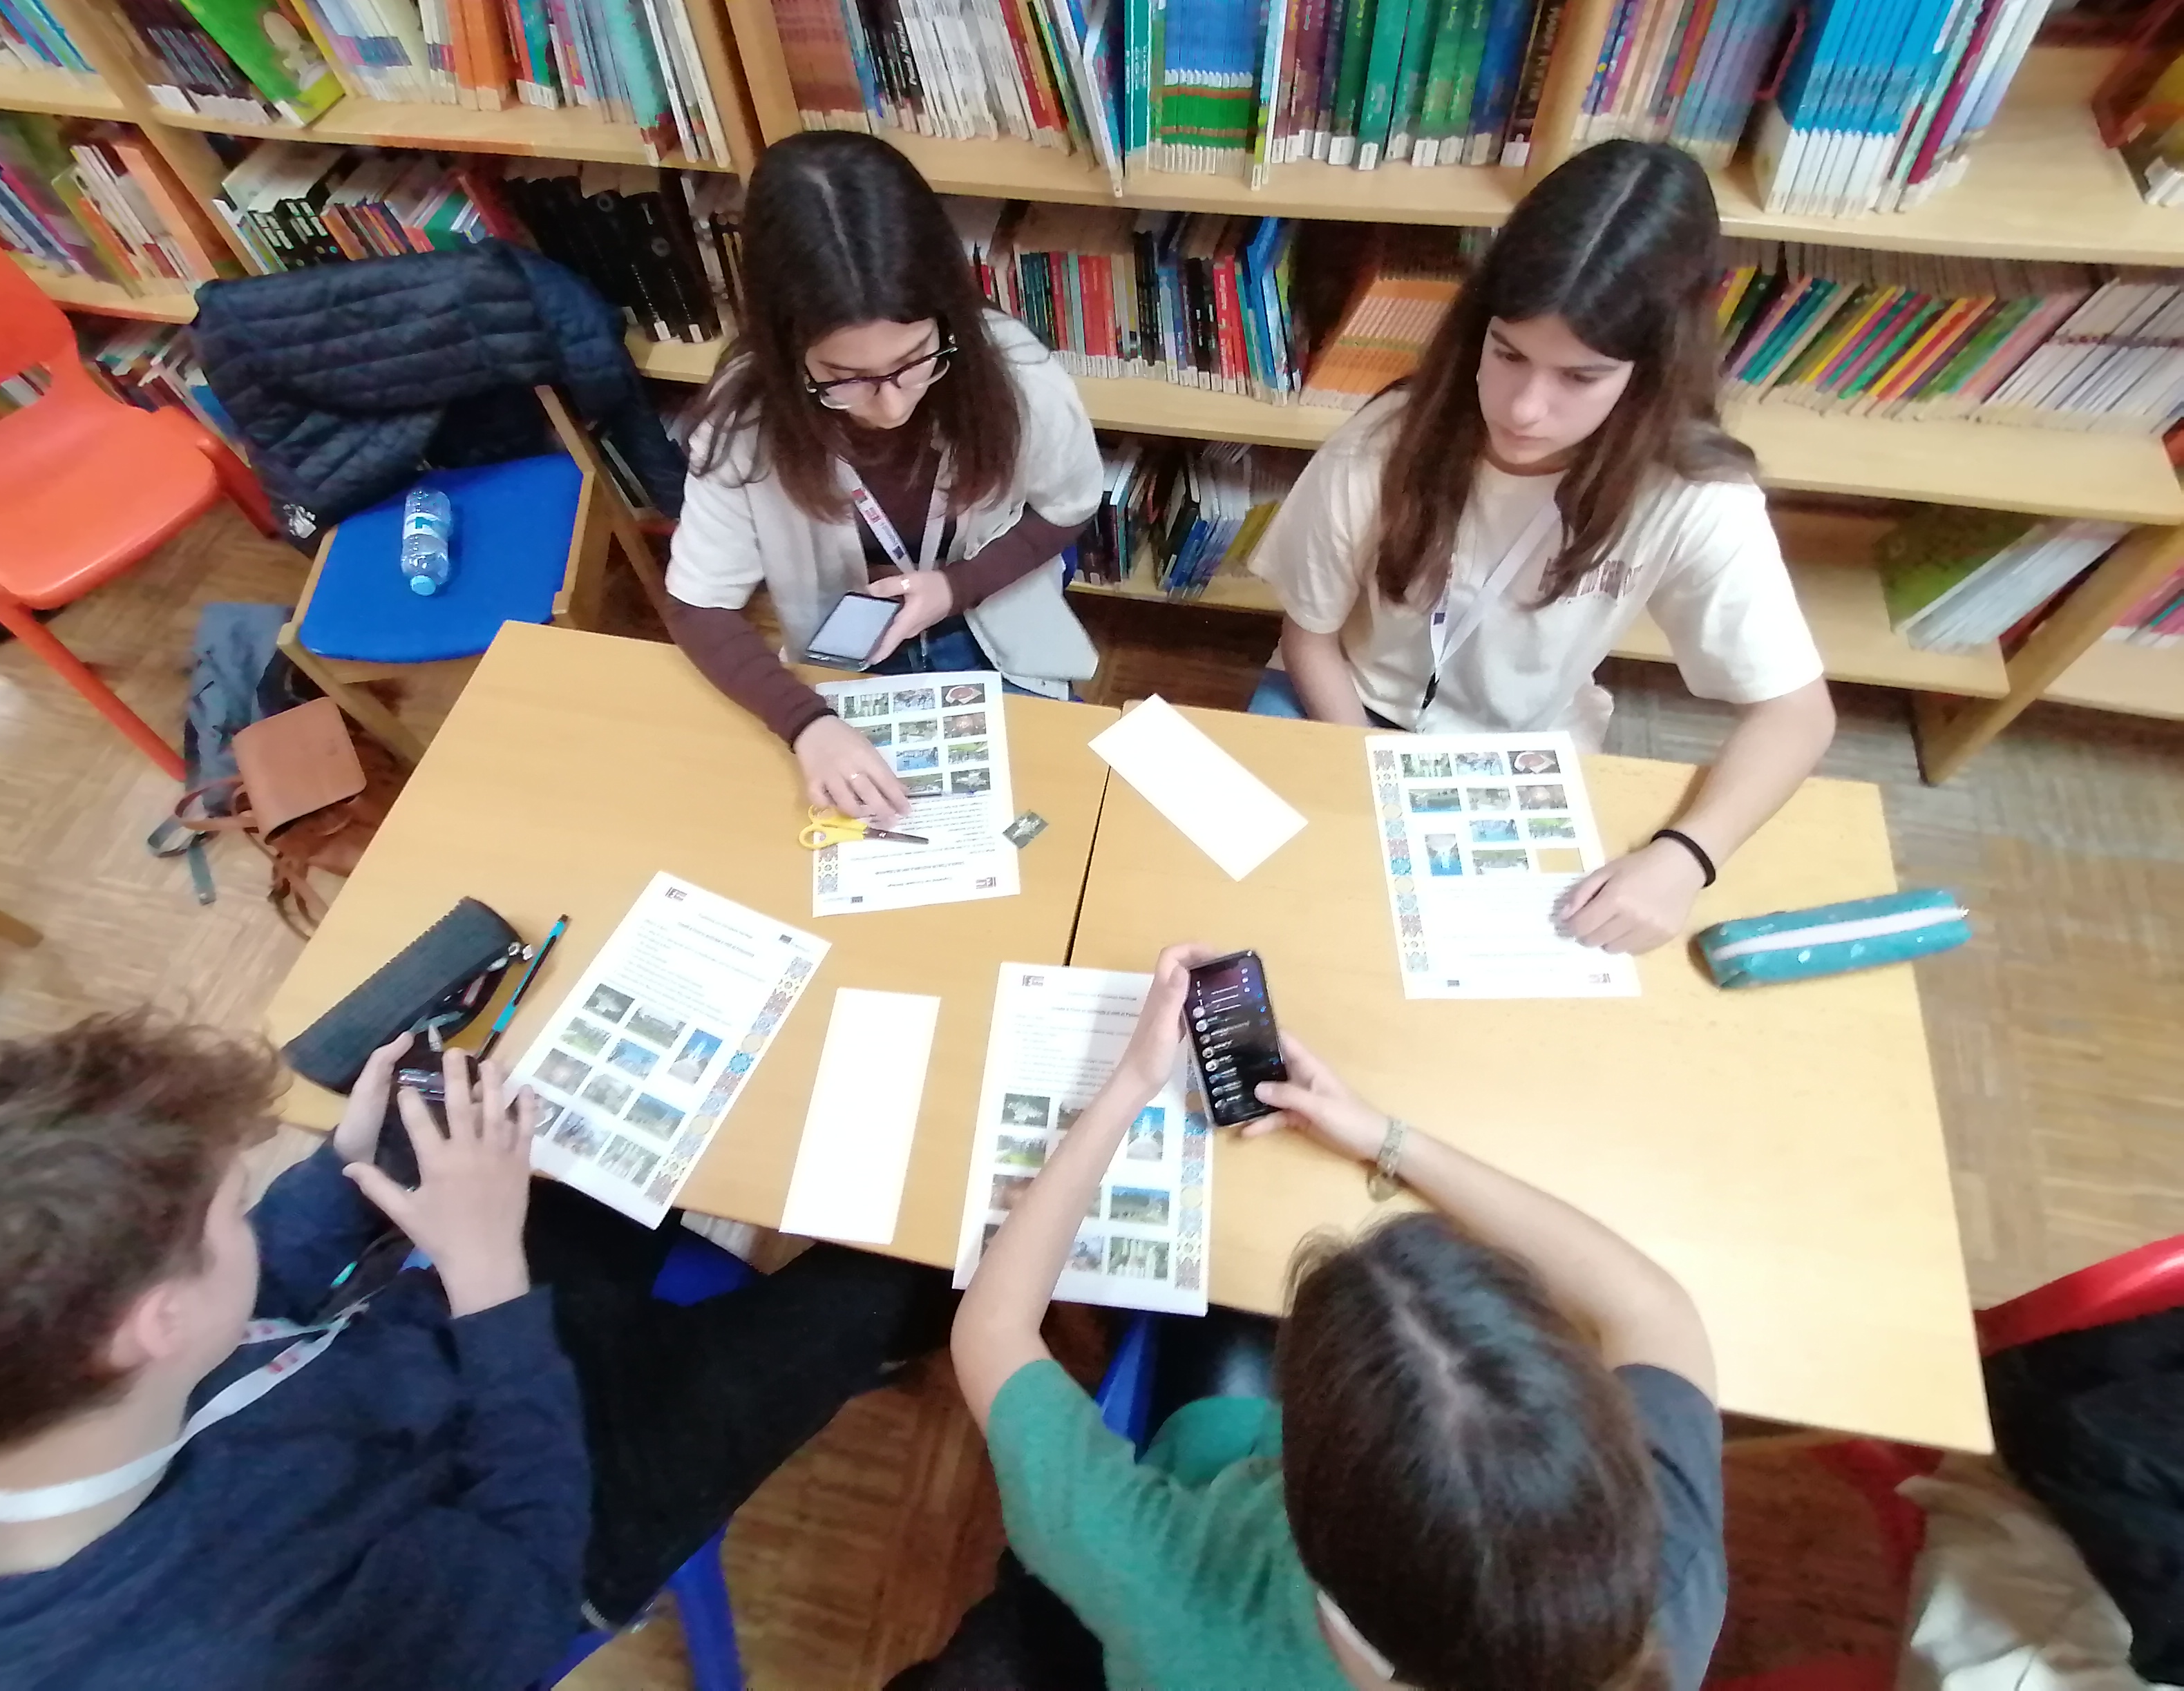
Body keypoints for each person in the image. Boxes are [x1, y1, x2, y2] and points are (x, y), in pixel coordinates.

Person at [0, 1014, 944, 1689]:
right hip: (563, 1507)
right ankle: (895, 1341)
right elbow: (530, 1571)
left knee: (630, 1128)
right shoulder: (253, 1643)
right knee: (910, 1259)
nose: (248, 1215)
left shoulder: (24, 1395)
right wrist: (488, 1276)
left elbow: (240, 1320)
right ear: (154, 1321)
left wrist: (345, 1170)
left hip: (442, 1353)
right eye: (231, 1210)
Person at [908, 943, 1723, 1691]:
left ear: (1299, 1500)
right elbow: (1650, 1307)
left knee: (1219, 1312)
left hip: (1175, 1517)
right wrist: (1382, 1137)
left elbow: (993, 1332)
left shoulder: (1174, 1590)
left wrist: (1129, 1083)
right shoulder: (1666, 1578)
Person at [1249, 140, 1836, 953]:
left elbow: (1796, 715)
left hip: (1522, 744)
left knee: (1515, 957)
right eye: (1508, 355)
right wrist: (1372, 765)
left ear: (1651, 371)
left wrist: (1687, 857)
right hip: (1346, 703)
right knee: (1287, 916)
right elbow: (1309, 638)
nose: (1525, 409)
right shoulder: (1384, 445)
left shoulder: (1694, 497)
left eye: (1580, 378)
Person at [663, 131, 1105, 822]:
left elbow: (1069, 506)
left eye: (915, 359)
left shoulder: (1018, 376)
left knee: (1050, 813)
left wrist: (955, 587)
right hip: (847, 649)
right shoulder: (744, 423)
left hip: (992, 621)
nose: (892, 406)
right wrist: (807, 724)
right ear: (785, 348)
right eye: (843, 378)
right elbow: (699, 604)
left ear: (946, 314)